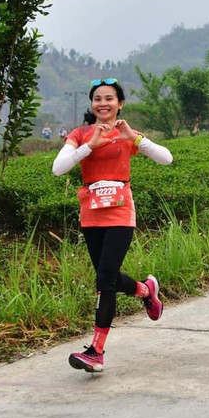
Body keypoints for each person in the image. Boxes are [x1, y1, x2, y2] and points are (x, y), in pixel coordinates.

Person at [52, 79, 172, 374]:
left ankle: (96, 352)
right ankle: (146, 291)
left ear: (120, 104)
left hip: (120, 213)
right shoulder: (80, 135)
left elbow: (166, 158)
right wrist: (88, 147)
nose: (103, 103)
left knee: (104, 281)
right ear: (91, 104)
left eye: (109, 98)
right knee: (109, 277)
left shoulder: (126, 134)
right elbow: (58, 168)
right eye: (97, 99)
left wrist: (135, 139)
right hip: (90, 213)